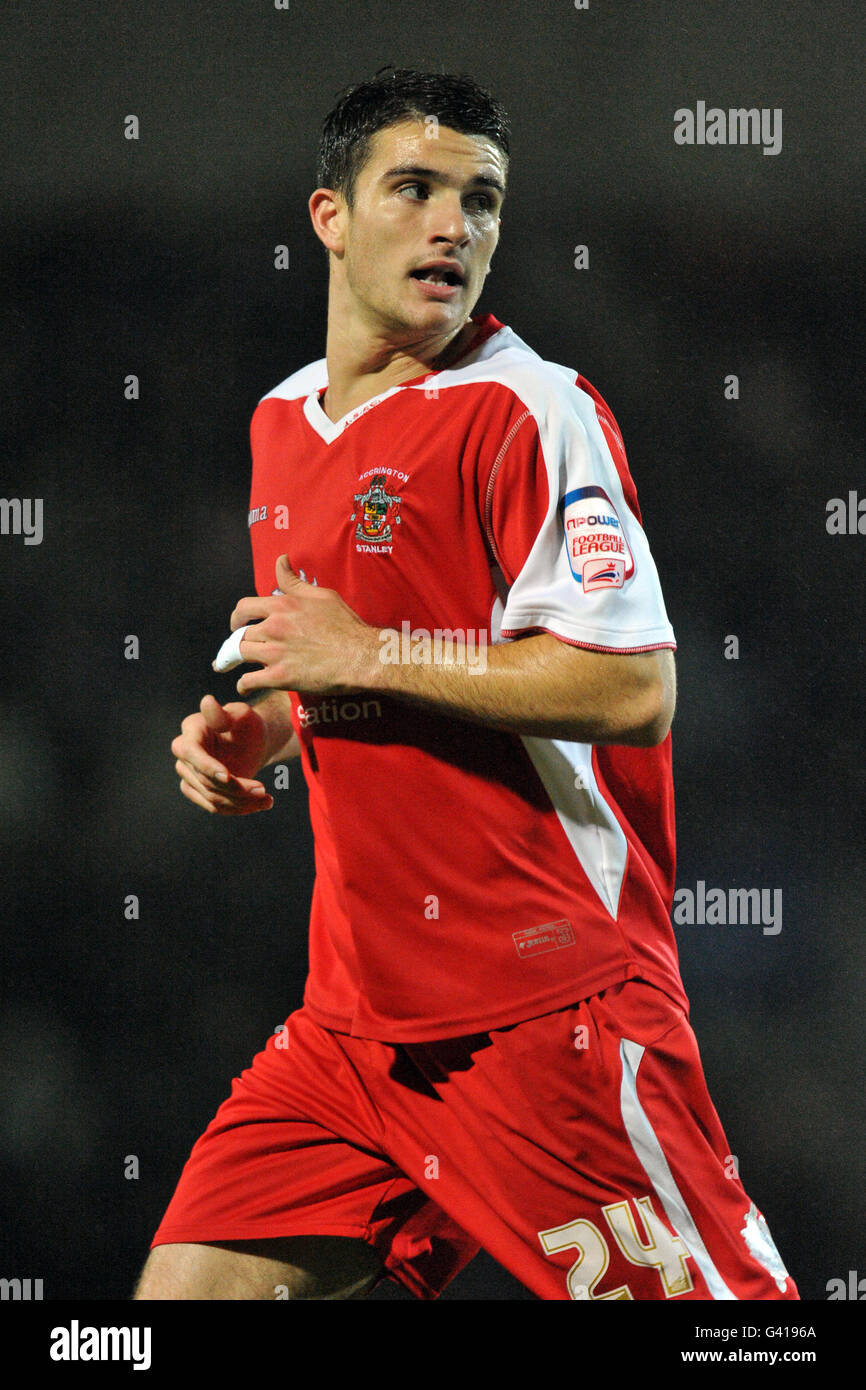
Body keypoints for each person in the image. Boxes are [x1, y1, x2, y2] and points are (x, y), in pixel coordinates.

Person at [135, 68, 797, 1301]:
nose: (454, 227)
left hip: (542, 1011)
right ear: (329, 214)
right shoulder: (282, 421)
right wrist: (268, 727)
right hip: (347, 1032)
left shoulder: (529, 409)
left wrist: (359, 656)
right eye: (417, 190)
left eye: (481, 200)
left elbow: (628, 685)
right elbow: (353, 662)